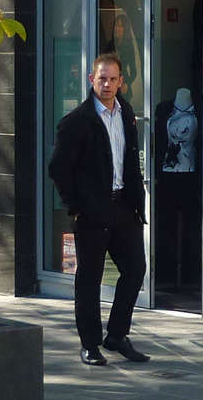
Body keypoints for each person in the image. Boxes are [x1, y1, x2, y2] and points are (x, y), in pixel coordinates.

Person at [48, 53, 149, 365]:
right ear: (91, 80)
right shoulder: (76, 121)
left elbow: (130, 161)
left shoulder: (126, 113)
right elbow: (58, 169)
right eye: (101, 78)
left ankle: (117, 335)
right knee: (89, 279)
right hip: (92, 212)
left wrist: (136, 201)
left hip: (124, 207)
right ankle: (90, 344)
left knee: (135, 269)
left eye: (112, 79)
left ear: (121, 82)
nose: (106, 84)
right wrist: (77, 208)